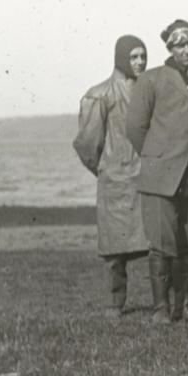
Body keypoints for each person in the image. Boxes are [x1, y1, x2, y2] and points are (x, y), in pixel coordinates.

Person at [125, 19, 188, 324]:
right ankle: (161, 308)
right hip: (160, 175)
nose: (186, 50)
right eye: (179, 45)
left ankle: (187, 305)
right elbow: (135, 127)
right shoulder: (151, 80)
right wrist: (157, 157)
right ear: (170, 48)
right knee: (161, 242)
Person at [73, 34, 150, 319]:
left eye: (143, 56)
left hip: (147, 180)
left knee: (157, 244)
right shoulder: (100, 94)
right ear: (121, 59)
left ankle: (163, 302)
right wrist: (107, 169)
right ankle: (114, 303)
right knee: (115, 252)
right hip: (115, 182)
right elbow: (87, 144)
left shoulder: (149, 90)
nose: (139, 62)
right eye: (133, 57)